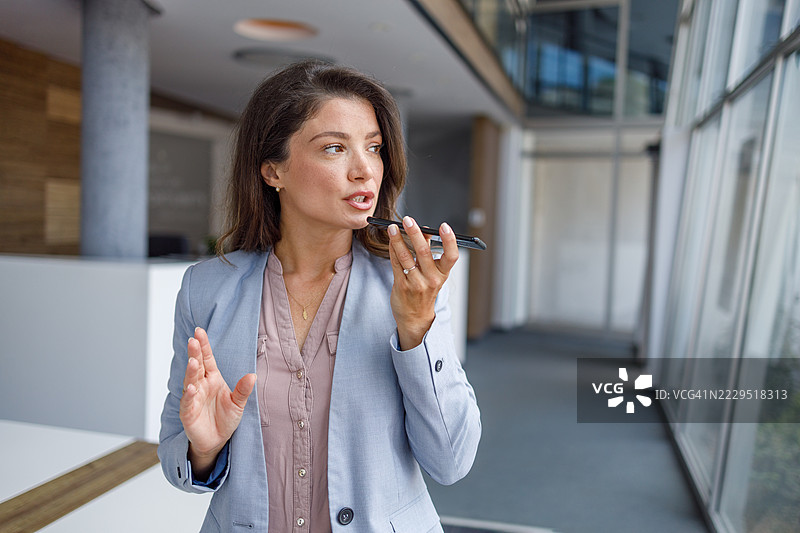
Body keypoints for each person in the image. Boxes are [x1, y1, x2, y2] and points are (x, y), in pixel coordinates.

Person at [158, 60, 481, 533]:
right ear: (273, 171)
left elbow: (452, 463)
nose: (364, 170)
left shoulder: (410, 289)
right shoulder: (206, 289)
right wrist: (203, 449)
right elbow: (175, 457)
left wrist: (417, 328)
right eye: (334, 148)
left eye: (373, 148)